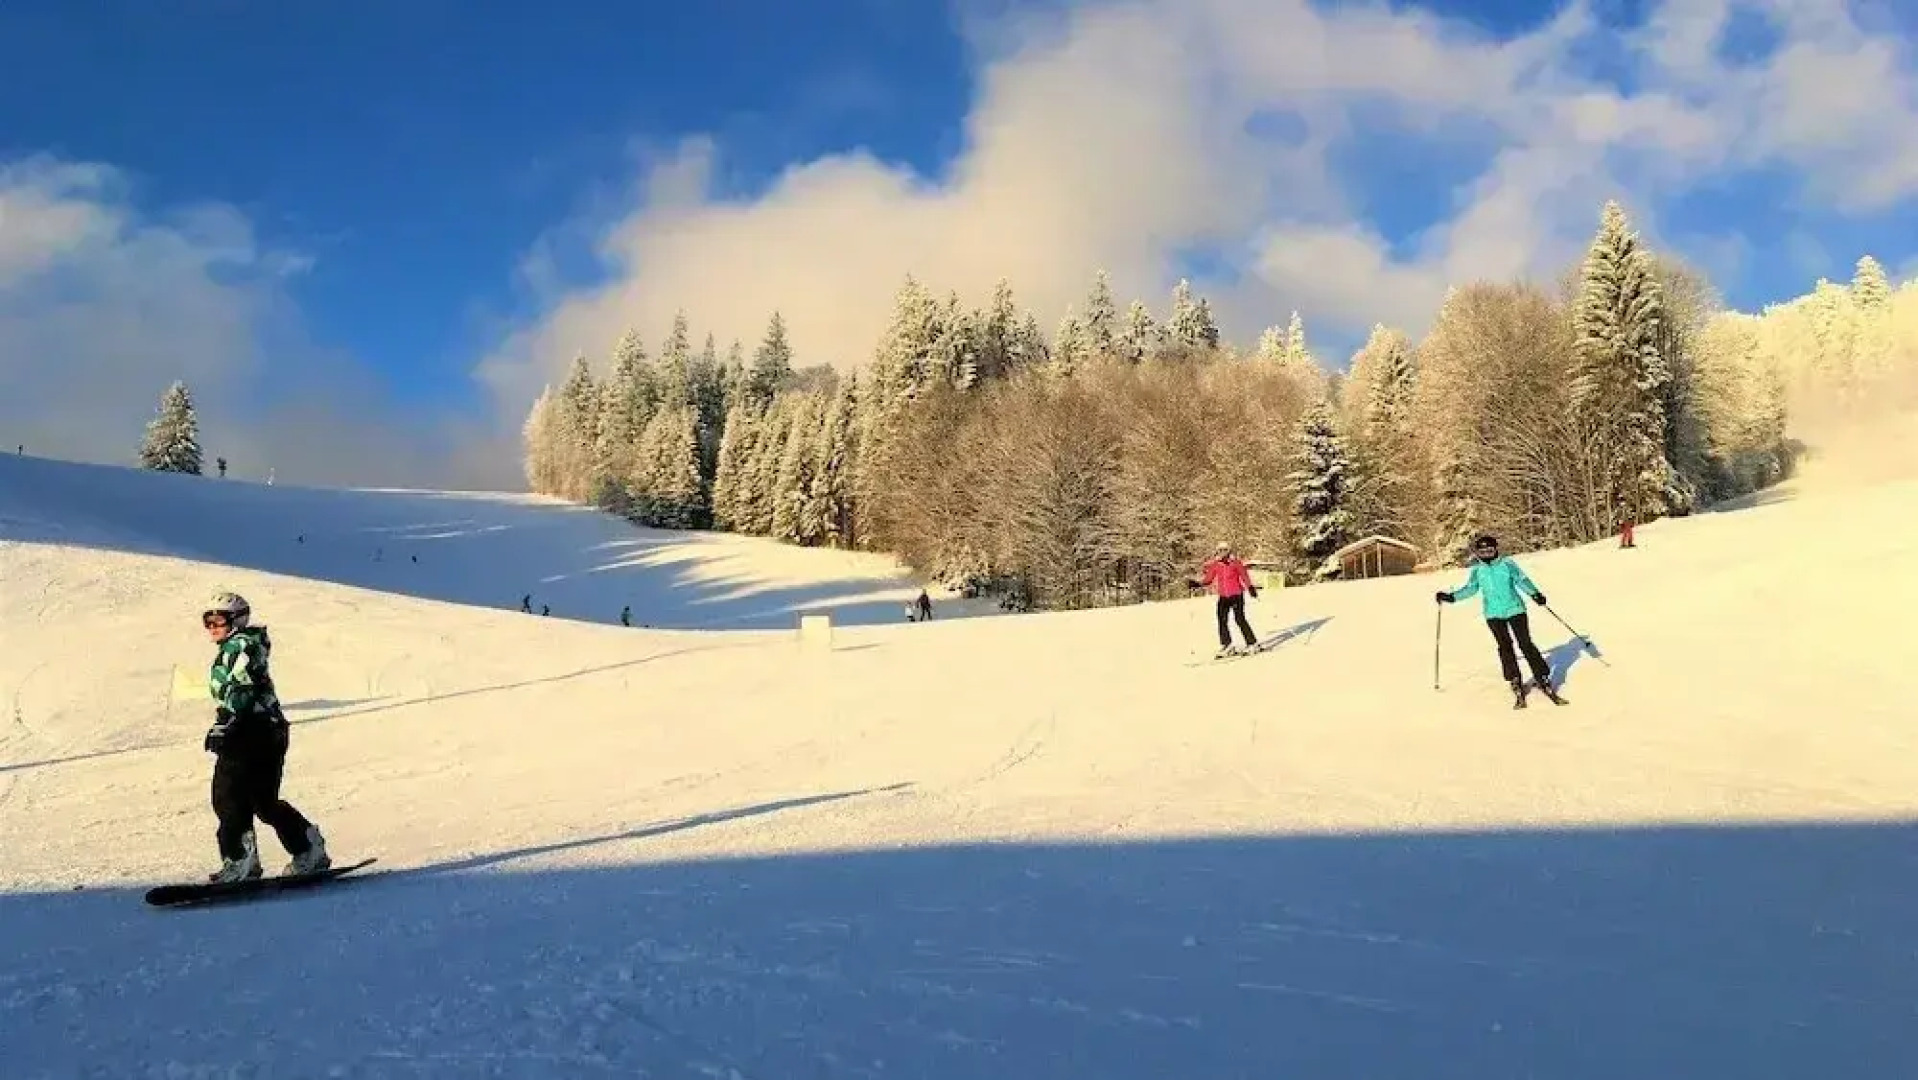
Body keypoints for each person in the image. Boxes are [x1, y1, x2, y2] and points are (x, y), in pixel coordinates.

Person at [200, 592, 330, 883]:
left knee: (228, 797)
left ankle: (240, 861)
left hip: (250, 730)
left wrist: (227, 722)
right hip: (266, 730)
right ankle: (308, 847)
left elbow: (242, 689)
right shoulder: (244, 644)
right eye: (207, 621)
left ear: (237, 620)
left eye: (218, 620)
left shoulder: (241, 646)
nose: (212, 627)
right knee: (262, 800)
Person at [1435, 534, 1556, 706]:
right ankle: (1514, 678)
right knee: (1505, 646)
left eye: (1490, 550)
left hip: (1515, 609)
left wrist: (1535, 593)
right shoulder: (1477, 570)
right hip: (1493, 614)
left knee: (1525, 643)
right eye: (1482, 552)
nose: (1486, 554)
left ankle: (1541, 675)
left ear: (1496, 549)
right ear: (1477, 553)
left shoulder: (1507, 564)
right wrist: (1452, 597)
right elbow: (1470, 589)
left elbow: (1522, 580)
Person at [1196, 542, 1259, 657]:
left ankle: (1252, 643)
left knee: (1239, 619)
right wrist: (1198, 584)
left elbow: (1244, 576)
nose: (1222, 552)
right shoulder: (1216, 564)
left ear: (1229, 551)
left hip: (1236, 594)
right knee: (1221, 619)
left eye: (1224, 550)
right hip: (1224, 596)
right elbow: (1209, 578)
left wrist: (1250, 587)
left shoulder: (1235, 563)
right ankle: (1227, 644)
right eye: (1220, 550)